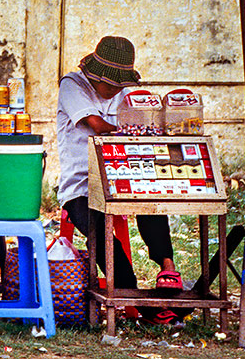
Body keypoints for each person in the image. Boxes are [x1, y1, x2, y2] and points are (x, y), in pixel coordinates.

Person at [56, 35, 182, 296]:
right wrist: (139, 129)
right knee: (105, 241)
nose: (115, 90)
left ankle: (167, 265)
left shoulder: (124, 93)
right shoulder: (72, 85)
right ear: (96, 74)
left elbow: (140, 123)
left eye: (119, 84)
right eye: (110, 84)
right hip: (82, 188)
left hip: (123, 178)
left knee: (152, 203)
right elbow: (99, 126)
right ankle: (128, 295)